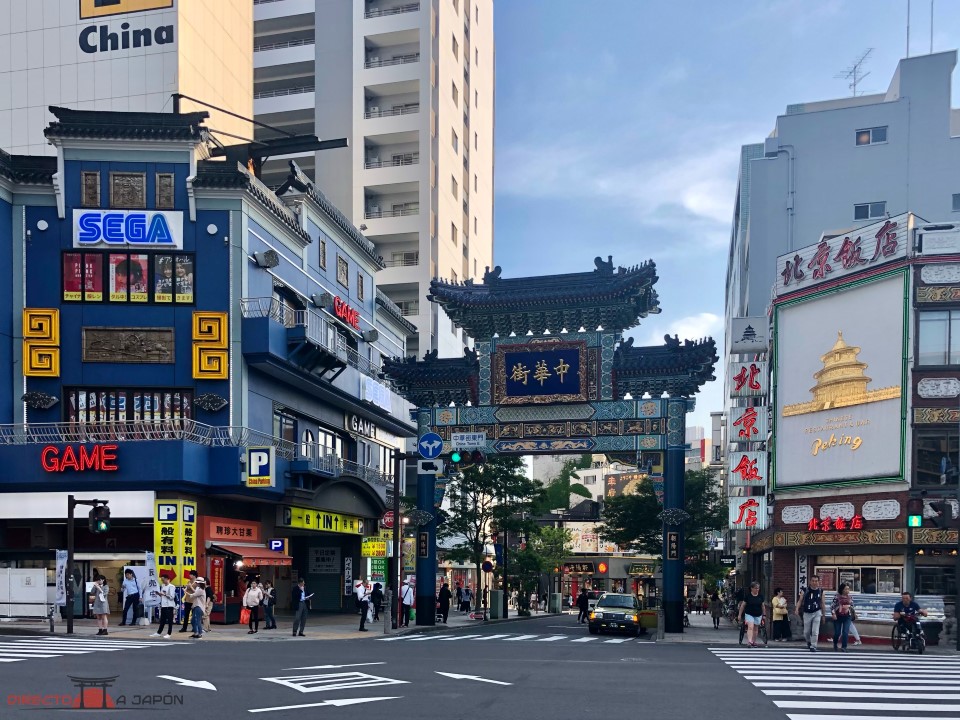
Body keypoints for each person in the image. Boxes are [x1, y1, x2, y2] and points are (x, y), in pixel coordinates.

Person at [796, 575, 824, 652]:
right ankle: (809, 641)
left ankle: (813, 645)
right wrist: (797, 609)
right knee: (806, 632)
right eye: (813, 581)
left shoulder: (820, 591)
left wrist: (823, 615)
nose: (814, 583)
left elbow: (822, 603)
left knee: (815, 631)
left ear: (818, 582)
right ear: (810, 581)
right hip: (807, 612)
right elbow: (800, 600)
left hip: (817, 612)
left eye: (816, 581)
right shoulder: (805, 590)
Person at [738, 581, 766, 648]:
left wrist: (764, 614)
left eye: (758, 588)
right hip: (749, 614)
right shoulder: (748, 596)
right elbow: (743, 606)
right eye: (756, 588)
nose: (757, 590)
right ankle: (749, 641)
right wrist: (739, 614)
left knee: (756, 629)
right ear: (752, 588)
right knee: (750, 627)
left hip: (758, 614)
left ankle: (753, 641)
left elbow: (763, 606)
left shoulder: (760, 596)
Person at [831, 582, 855, 652]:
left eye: (848, 589)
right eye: (846, 589)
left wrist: (853, 612)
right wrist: (833, 614)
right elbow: (832, 606)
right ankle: (835, 643)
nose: (847, 590)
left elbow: (852, 606)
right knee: (837, 632)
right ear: (842, 590)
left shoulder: (850, 597)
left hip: (847, 616)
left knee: (845, 632)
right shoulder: (837, 597)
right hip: (838, 616)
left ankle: (844, 646)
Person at [154, 574, 177, 638]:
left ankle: (169, 633)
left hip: (169, 605)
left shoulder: (171, 586)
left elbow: (172, 597)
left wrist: (164, 594)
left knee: (170, 620)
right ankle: (159, 632)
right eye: (161, 580)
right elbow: (162, 595)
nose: (162, 581)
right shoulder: (163, 586)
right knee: (162, 620)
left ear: (167, 579)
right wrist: (159, 594)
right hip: (163, 605)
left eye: (163, 580)